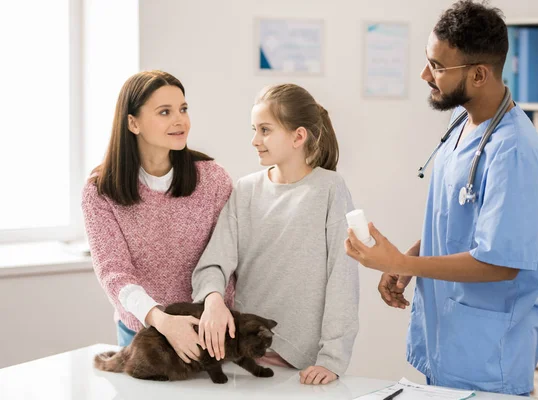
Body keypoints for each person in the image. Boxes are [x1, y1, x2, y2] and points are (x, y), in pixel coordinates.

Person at [345, 1, 538, 395]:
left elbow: (500, 262)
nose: (425, 74)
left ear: (479, 74)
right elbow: (460, 219)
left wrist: (401, 260)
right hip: (448, 339)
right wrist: (414, 259)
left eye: (438, 66)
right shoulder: (461, 120)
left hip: (488, 355)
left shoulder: (513, 151)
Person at [191, 83, 359, 385]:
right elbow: (214, 262)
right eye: (254, 129)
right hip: (243, 356)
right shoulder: (245, 190)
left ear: (298, 136)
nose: (255, 140)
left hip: (304, 364)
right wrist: (213, 300)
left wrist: (332, 359)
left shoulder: (330, 189)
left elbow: (342, 279)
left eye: (265, 130)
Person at [82, 70, 232, 365]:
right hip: (142, 333)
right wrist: (161, 320)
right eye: (165, 112)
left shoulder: (213, 179)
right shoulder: (100, 190)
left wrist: (214, 305)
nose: (180, 120)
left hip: (208, 331)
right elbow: (114, 273)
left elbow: (227, 255)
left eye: (183, 109)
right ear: (132, 123)